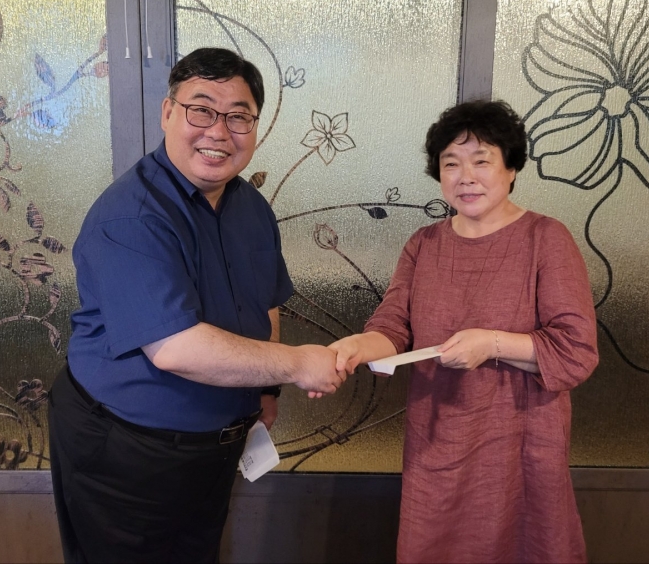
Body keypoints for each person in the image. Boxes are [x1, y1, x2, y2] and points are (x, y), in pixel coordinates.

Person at [48, 47, 346, 564]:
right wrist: (299, 364)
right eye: (201, 110)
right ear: (168, 112)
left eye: (238, 116)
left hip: (216, 444)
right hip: (126, 447)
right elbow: (174, 348)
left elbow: (264, 303)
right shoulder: (132, 215)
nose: (219, 131)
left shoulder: (249, 206)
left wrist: (265, 390)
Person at [329, 100, 599, 563]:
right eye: (451, 163)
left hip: (519, 442)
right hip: (438, 437)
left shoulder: (546, 238)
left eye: (481, 161)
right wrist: (355, 346)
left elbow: (576, 351)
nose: (465, 177)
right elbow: (392, 328)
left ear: (511, 168)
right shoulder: (424, 244)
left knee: (522, 544)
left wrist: (491, 344)